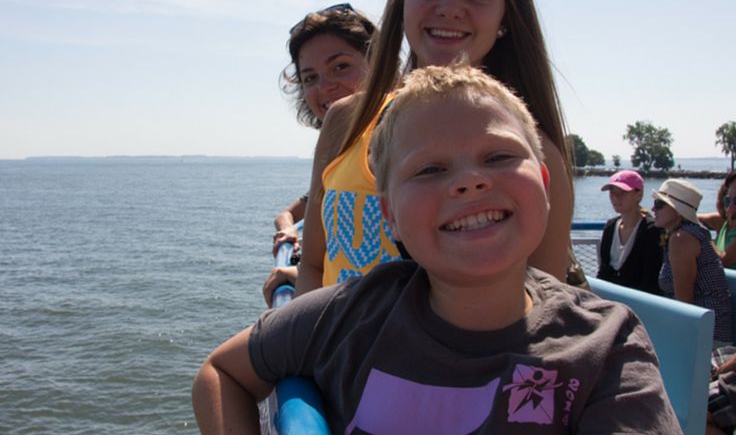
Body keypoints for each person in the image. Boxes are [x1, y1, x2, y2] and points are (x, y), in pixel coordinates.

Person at [192, 65, 680, 435]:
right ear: (390, 215)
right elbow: (220, 373)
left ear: (546, 184)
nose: (470, 181)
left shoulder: (606, 346)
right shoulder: (351, 314)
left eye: (499, 156)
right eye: (429, 170)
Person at [295, 0, 574, 295]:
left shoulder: (531, 154)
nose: (450, 8)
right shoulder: (345, 119)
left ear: (504, 17)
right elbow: (314, 263)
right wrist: (306, 343)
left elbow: (541, 310)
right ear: (401, 4)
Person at [264, 5, 375, 301]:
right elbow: (296, 214)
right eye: (310, 78)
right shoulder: (336, 148)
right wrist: (288, 230)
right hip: (341, 313)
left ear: (378, 62)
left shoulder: (405, 130)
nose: (325, 86)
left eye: (340, 67)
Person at [653, 178, 733, 346]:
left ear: (677, 210)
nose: (653, 209)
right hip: (709, 328)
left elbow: (685, 305)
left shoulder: (682, 239)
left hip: (708, 336)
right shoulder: (692, 233)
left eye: (659, 204)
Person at [596, 170, 664, 294]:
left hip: (640, 303)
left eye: (623, 192)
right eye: (612, 192)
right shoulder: (610, 227)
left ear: (639, 194)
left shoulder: (651, 230)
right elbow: (603, 272)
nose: (616, 197)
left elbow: (650, 278)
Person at [700, 171, 736, 268]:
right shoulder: (723, 222)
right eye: (728, 201)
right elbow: (691, 218)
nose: (730, 208)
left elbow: (724, 261)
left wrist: (705, 238)